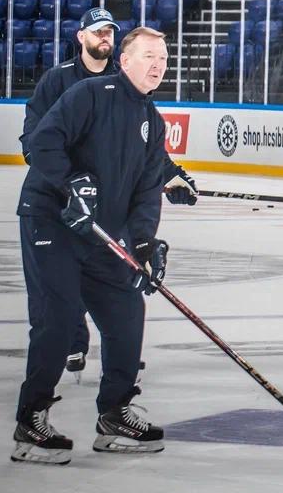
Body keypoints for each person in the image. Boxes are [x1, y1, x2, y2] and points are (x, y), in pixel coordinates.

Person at [12, 26, 173, 465]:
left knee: (126, 311)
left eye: (162, 57)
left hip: (100, 235)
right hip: (53, 220)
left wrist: (143, 243)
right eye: (147, 56)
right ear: (124, 61)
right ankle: (31, 418)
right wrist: (71, 184)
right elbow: (43, 143)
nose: (157, 64)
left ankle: (115, 413)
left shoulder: (153, 122)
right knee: (59, 318)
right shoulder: (90, 93)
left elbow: (146, 190)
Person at [20, 7, 197, 381]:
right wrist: (68, 183)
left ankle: (117, 373)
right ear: (81, 36)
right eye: (97, 31)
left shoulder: (134, 98)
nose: (104, 36)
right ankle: (69, 346)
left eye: (110, 31)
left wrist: (172, 177)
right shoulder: (64, 81)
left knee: (119, 300)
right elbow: (37, 142)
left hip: (101, 215)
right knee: (56, 304)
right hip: (56, 208)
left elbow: (140, 154)